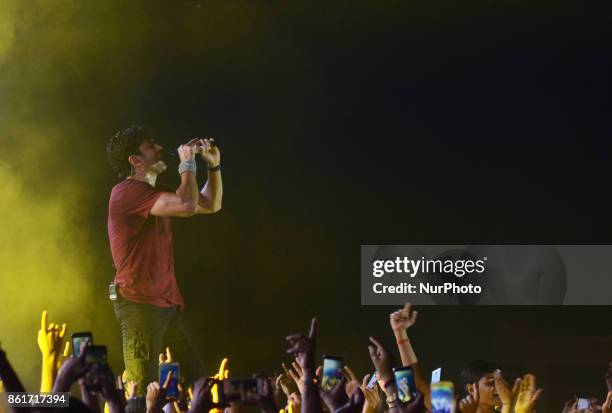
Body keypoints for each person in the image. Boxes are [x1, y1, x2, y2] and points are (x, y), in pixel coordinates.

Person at [106, 126, 223, 394]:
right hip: (139, 307)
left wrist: (214, 168)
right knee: (143, 391)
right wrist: (188, 163)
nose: (159, 148)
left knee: (199, 386)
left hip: (167, 305)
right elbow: (186, 204)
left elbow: (210, 204)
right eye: (150, 147)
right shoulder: (125, 193)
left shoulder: (156, 192)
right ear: (135, 161)